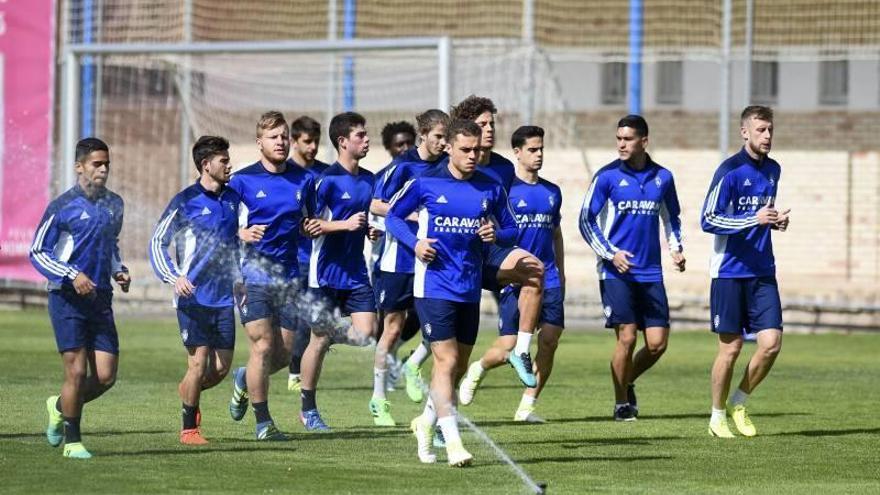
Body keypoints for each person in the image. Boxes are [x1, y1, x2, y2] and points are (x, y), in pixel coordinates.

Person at [386, 119, 517, 467]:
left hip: (469, 289)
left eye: (478, 150)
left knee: (455, 367)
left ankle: (425, 423)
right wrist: (414, 244)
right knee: (445, 361)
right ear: (449, 148)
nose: (474, 155)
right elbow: (393, 218)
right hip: (432, 287)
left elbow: (513, 229)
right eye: (466, 149)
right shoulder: (425, 182)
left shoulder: (490, 187)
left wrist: (496, 234)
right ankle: (455, 443)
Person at [579, 115, 685, 421]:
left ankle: (627, 379)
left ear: (644, 141)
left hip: (651, 272)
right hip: (616, 272)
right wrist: (611, 255)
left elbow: (671, 217)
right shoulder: (607, 177)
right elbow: (585, 220)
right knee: (627, 338)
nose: (621, 144)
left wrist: (676, 249)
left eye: (627, 139)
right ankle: (621, 402)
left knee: (657, 344)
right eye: (618, 139)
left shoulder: (663, 178)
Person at [30, 137, 131, 459]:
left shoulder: (115, 203)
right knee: (75, 372)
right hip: (66, 299)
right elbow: (37, 252)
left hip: (100, 299)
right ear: (79, 167)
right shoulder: (62, 207)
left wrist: (119, 270)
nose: (103, 170)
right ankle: (72, 441)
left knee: (105, 376)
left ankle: (58, 406)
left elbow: (111, 245)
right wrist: (71, 274)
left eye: (106, 165)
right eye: (96, 164)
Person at [458, 126, 566, 423]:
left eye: (541, 148)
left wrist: (562, 273)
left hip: (549, 275)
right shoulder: (505, 191)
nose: (539, 154)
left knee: (550, 339)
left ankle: (527, 406)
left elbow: (556, 234)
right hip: (515, 276)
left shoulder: (552, 192)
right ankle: (479, 367)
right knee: (508, 347)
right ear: (517, 152)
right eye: (533, 149)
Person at [226, 111, 316, 441]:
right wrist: (240, 232)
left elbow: (308, 220)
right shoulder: (241, 182)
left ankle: (242, 379)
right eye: (273, 137)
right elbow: (221, 227)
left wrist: (312, 227)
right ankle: (263, 423)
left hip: (289, 277)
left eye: (284, 136)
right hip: (252, 277)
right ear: (259, 142)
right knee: (263, 347)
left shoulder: (303, 180)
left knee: (283, 353)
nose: (280, 142)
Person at [702, 105, 789, 438]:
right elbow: (708, 219)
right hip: (728, 272)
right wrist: (754, 220)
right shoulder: (729, 171)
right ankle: (716, 416)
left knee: (771, 343)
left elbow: (762, 215)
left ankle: (739, 402)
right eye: (760, 130)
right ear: (744, 132)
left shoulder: (774, 170)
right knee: (732, 348)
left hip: (763, 270)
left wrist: (775, 221)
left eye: (770, 130)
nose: (766, 136)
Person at [447, 95, 544, 388]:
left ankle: (522, 351)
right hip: (452, 261)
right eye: (482, 124)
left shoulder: (503, 168)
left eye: (492, 123)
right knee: (450, 358)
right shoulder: (446, 167)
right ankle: (430, 410)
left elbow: (507, 222)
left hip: (489, 253)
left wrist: (498, 234)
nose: (489, 129)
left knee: (535, 270)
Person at [149, 135, 239, 444]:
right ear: (206, 165)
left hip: (224, 297)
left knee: (220, 369)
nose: (229, 165)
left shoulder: (232, 199)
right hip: (193, 297)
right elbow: (157, 242)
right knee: (198, 363)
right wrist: (174, 277)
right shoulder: (185, 201)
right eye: (224, 161)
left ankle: (189, 389)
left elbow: (233, 241)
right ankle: (189, 428)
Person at [368, 109, 450, 424]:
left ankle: (412, 362)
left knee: (441, 325)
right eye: (438, 137)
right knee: (392, 327)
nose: (443, 143)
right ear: (424, 135)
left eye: (446, 137)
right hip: (398, 259)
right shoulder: (402, 166)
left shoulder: (446, 168)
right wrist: (407, 213)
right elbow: (375, 202)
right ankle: (378, 399)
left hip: (432, 259)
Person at [299, 111, 379, 431]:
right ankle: (308, 409)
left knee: (366, 333)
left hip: (356, 271)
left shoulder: (370, 179)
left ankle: (326, 334)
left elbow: (362, 219)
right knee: (318, 341)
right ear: (343, 142)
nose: (367, 139)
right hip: (325, 272)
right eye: (360, 135)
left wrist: (369, 229)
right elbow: (307, 227)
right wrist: (344, 225)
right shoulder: (325, 181)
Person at [286, 116, 330, 393]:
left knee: (317, 320)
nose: (313, 147)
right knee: (297, 320)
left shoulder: (326, 174)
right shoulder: (285, 174)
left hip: (322, 260)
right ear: (293, 142)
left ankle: (297, 371)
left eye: (316, 141)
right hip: (295, 259)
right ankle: (293, 370)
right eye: (307, 141)